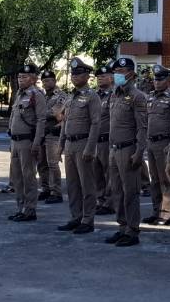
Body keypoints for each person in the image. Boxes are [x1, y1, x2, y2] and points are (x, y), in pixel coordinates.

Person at [105, 57, 149, 246]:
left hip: (128, 149)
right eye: (115, 72)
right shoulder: (114, 94)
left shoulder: (137, 96)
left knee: (130, 192)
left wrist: (139, 152)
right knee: (116, 191)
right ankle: (122, 227)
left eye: (121, 72)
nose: (117, 75)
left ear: (130, 73)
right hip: (114, 149)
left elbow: (142, 127)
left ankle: (132, 230)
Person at [57, 59, 102, 235]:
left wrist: (90, 148)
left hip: (83, 143)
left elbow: (96, 124)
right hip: (69, 144)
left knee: (87, 184)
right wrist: (60, 146)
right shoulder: (70, 97)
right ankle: (76, 216)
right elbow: (65, 123)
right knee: (72, 184)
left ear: (87, 76)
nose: (74, 77)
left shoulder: (92, 96)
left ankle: (87, 219)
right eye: (73, 74)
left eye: (78, 74)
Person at [7, 62, 49, 222]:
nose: (20, 79)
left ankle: (30, 209)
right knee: (17, 177)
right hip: (16, 141)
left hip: (27, 142)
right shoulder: (19, 94)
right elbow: (14, 116)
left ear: (33, 79)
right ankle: (21, 208)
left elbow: (41, 120)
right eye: (19, 77)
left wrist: (37, 143)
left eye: (24, 77)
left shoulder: (36, 95)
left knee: (28, 177)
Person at [144, 64, 170, 225]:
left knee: (165, 179)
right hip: (151, 143)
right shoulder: (150, 97)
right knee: (155, 180)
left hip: (164, 143)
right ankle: (156, 211)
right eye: (155, 79)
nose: (157, 82)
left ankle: (166, 214)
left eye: (160, 79)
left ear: (168, 81)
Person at [37, 70, 66, 204]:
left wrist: (40, 113)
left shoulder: (61, 96)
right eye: (44, 81)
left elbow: (56, 112)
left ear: (54, 81)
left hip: (53, 134)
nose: (46, 83)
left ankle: (56, 192)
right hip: (42, 133)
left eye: (48, 80)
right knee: (41, 164)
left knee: (52, 164)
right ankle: (45, 188)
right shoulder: (43, 96)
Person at [93, 62, 116, 216]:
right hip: (94, 141)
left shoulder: (115, 95)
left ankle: (110, 203)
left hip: (108, 140)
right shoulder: (94, 96)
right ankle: (100, 200)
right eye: (98, 77)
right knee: (97, 174)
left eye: (103, 76)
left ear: (111, 77)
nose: (100, 78)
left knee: (110, 174)